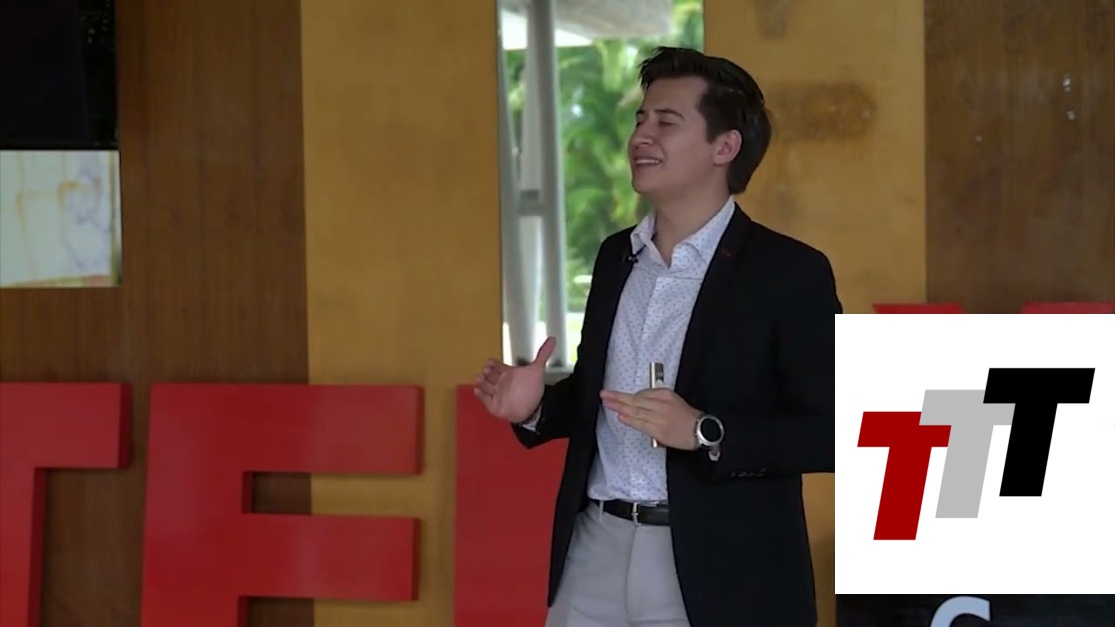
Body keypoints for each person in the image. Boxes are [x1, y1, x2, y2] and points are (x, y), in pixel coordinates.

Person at [474, 46, 841, 627]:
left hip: (720, 566)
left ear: (725, 147)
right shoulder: (615, 258)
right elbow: (603, 398)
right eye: (640, 119)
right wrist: (536, 408)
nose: (641, 136)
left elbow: (833, 431)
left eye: (667, 122)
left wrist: (703, 431)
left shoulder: (789, 273)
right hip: (594, 546)